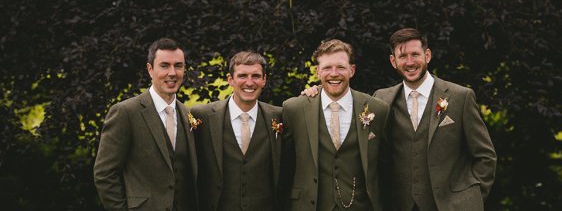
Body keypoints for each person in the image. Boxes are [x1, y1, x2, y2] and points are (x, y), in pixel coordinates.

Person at [374, 28, 496, 211]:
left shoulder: (460, 97)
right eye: (402, 56)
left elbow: (485, 156)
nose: (409, 62)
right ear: (393, 61)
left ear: (427, 55)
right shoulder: (381, 99)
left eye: (415, 54)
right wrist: (317, 94)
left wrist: (470, 198)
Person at [281, 39, 389, 211]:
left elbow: (386, 166)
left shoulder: (378, 109)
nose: (334, 73)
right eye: (327, 68)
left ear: (351, 70)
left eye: (340, 67)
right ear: (317, 72)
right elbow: (285, 167)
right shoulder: (294, 109)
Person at [94, 37, 198, 211]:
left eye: (178, 66)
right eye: (164, 66)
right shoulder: (125, 112)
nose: (172, 73)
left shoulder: (188, 114)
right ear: (150, 69)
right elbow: (105, 174)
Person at [190, 51, 283, 211]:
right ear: (230, 79)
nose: (249, 82)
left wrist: (315, 90)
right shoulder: (203, 117)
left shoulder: (280, 116)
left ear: (264, 80)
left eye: (255, 76)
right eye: (242, 76)